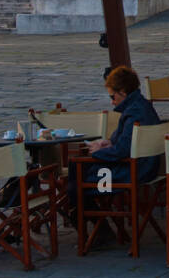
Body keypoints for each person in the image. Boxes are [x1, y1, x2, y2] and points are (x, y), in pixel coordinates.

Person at [66, 65, 162, 244]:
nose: (112, 102)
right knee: (78, 172)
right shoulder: (140, 105)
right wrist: (108, 142)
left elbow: (123, 150)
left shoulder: (133, 112)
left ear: (123, 91)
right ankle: (90, 221)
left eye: (113, 96)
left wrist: (99, 152)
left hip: (131, 172)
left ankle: (93, 224)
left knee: (78, 177)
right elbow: (125, 140)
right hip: (144, 166)